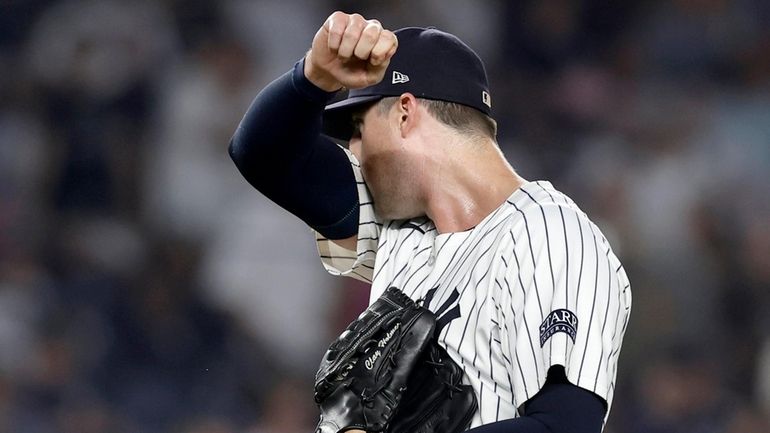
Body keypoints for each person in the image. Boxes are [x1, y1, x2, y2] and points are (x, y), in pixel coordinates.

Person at [229, 11, 631, 433]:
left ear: (405, 113)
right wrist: (311, 76)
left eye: (359, 127)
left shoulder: (550, 235)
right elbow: (260, 154)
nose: (353, 147)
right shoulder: (400, 226)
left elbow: (564, 426)